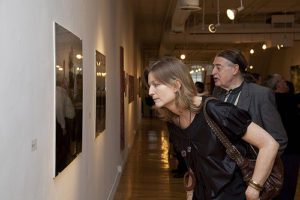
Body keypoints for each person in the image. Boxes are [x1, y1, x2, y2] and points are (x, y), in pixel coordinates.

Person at [144, 57, 279, 200]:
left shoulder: (215, 110)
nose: (150, 92)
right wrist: (190, 192)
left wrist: (253, 189)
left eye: (156, 85)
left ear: (176, 85)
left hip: (233, 194)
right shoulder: (173, 120)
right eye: (149, 86)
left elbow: (269, 144)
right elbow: (192, 161)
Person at [211, 49, 287, 154]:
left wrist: (259, 166)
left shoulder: (260, 94)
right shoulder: (217, 93)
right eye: (214, 67)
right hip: (221, 167)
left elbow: (279, 140)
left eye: (218, 68)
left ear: (234, 69)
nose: (213, 72)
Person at [265, 74, 300, 200]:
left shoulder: (269, 98)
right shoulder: (284, 99)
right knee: (288, 184)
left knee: (275, 182)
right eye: (281, 80)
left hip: (274, 148)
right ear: (277, 85)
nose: (285, 82)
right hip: (289, 149)